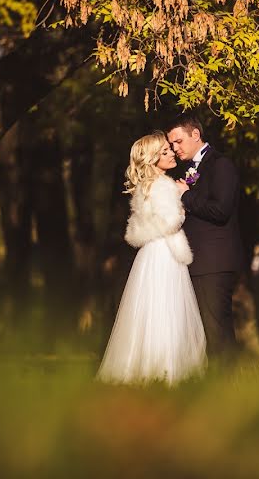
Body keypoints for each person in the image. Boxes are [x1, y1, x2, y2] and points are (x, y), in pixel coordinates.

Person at [96, 131, 207, 385]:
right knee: (167, 308)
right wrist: (183, 197)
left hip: (150, 254)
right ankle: (164, 370)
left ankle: (143, 368)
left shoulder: (145, 186)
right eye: (165, 151)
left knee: (149, 309)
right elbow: (171, 222)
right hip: (165, 254)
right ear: (154, 158)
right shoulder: (164, 185)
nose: (171, 154)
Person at [167, 113, 244, 360]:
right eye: (171, 144)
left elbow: (220, 210)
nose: (174, 148)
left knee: (216, 329)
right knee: (203, 330)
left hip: (214, 262)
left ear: (196, 135)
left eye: (178, 141)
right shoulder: (191, 169)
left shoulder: (220, 164)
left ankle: (227, 387)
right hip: (197, 262)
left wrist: (185, 196)